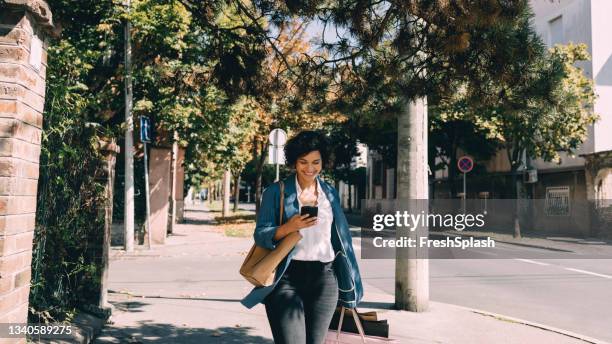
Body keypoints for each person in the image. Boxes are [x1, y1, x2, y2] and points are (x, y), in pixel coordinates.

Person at [241, 131, 363, 344]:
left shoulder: (329, 193)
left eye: (316, 162)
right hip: (287, 278)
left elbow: (343, 240)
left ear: (323, 161)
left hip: (325, 278)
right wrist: (289, 227)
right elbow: (261, 235)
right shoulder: (276, 192)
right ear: (294, 162)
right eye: (303, 162)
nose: (310, 168)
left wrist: (351, 280)